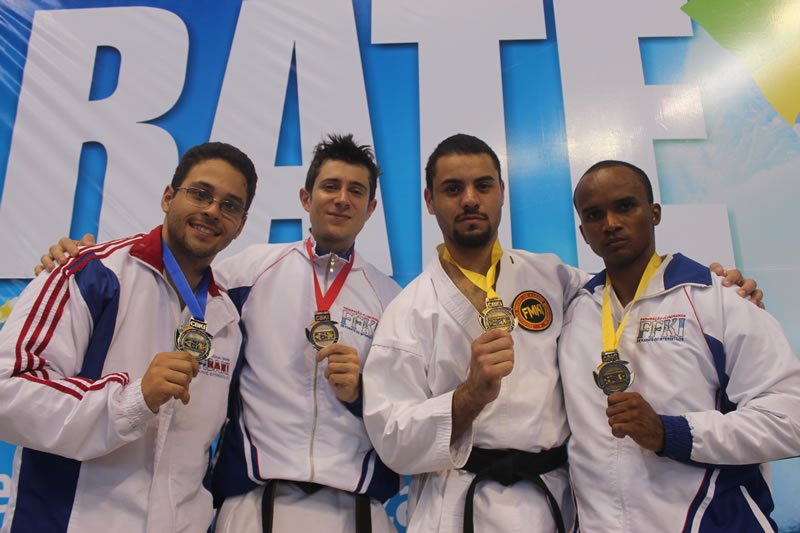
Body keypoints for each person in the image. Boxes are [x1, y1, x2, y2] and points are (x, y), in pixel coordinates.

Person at [361, 134, 763, 533]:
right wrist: (470, 395)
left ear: (501, 192)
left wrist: (722, 290)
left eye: (483, 186)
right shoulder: (408, 310)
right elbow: (391, 439)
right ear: (430, 200)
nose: (470, 199)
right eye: (453, 189)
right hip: (454, 508)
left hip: (550, 503)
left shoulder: (553, 277)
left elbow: (631, 294)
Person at [37, 134, 401, 533]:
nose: (342, 199)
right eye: (330, 186)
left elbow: (404, 406)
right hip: (257, 502)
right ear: (305, 197)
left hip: (359, 508)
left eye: (356, 191)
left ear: (371, 208)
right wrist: (72, 261)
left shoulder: (390, 298)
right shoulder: (248, 272)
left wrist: (361, 393)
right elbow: (174, 282)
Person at [0, 141, 257, 532]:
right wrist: (134, 400)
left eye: (229, 205)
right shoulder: (92, 273)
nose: (211, 211)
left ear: (240, 225)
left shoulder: (226, 320)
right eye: (200, 194)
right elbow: (8, 390)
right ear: (168, 197)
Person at [558, 160, 800, 532]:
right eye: (594, 215)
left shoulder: (718, 298)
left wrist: (672, 434)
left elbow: (790, 419)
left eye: (625, 206)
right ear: (583, 232)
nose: (610, 223)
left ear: (654, 213)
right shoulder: (573, 311)